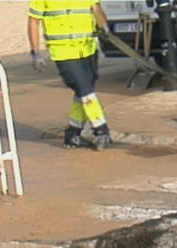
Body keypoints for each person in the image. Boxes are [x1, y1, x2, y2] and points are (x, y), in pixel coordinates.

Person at [28, 0, 112, 150]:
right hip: (63, 52)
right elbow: (34, 21)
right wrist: (35, 53)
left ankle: (72, 134)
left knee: (83, 92)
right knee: (85, 90)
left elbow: (96, 9)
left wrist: (104, 27)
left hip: (88, 48)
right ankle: (101, 130)